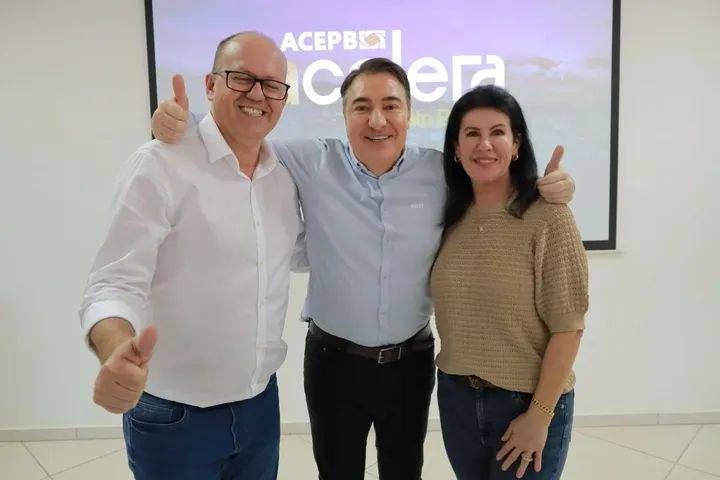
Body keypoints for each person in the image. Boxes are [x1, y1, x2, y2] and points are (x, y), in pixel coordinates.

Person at [152, 57, 575, 480]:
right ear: (344, 115)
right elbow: (237, 138)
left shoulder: (443, 172)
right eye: (362, 107)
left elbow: (498, 178)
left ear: (409, 113)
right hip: (332, 361)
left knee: (404, 471)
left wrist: (552, 187)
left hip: (410, 361)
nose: (377, 120)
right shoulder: (308, 161)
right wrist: (180, 125)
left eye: (391, 106)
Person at [79, 32, 304, 480]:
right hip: (174, 417)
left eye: (272, 85)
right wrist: (116, 350)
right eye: (241, 78)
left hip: (260, 406)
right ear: (211, 85)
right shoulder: (161, 163)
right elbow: (112, 283)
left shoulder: (282, 178)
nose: (257, 94)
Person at [430, 84, 588, 480]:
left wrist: (540, 415)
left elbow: (569, 328)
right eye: (472, 133)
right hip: (457, 399)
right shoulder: (449, 217)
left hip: (527, 403)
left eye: (497, 132)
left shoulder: (548, 215)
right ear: (456, 148)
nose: (484, 145)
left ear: (516, 144)